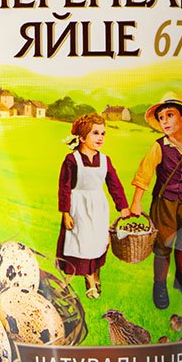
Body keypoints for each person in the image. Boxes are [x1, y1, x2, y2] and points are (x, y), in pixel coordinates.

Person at [129, 90, 182, 310]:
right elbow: (144, 173)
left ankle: (180, 277)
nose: (164, 121)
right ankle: (159, 285)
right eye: (161, 117)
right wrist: (136, 201)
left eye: (170, 115)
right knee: (164, 244)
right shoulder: (159, 147)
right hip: (165, 203)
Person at [56, 112, 132, 299]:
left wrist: (123, 206)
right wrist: (66, 212)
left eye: (103, 133)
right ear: (82, 138)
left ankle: (95, 273)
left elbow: (114, 184)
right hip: (78, 207)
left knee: (98, 241)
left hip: (98, 207)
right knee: (82, 242)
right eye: (95, 133)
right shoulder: (72, 160)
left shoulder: (105, 160)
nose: (100, 138)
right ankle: (89, 279)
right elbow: (64, 187)